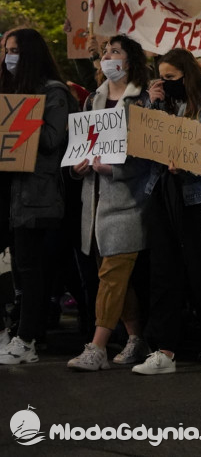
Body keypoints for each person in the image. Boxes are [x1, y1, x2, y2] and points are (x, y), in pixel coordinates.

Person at [131, 48, 201, 375]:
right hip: (164, 196)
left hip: (198, 199)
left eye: (171, 78)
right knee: (164, 274)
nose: (165, 83)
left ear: (187, 76)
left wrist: (192, 163)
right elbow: (140, 146)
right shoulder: (160, 104)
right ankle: (164, 350)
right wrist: (151, 103)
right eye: (161, 77)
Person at [67, 35, 152, 371]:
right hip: (96, 203)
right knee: (119, 276)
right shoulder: (92, 102)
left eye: (115, 51)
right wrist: (77, 168)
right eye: (105, 51)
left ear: (130, 60)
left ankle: (97, 346)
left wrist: (115, 169)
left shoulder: (141, 102)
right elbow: (81, 146)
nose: (107, 56)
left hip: (128, 203)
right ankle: (136, 337)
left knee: (112, 274)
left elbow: (146, 155)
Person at [0, 28, 75, 365]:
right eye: (5, 49)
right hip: (15, 193)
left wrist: (15, 120)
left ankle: (27, 339)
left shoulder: (53, 92)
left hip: (39, 193)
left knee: (32, 270)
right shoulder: (14, 90)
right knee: (22, 268)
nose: (7, 56)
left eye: (13, 49)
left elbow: (51, 140)